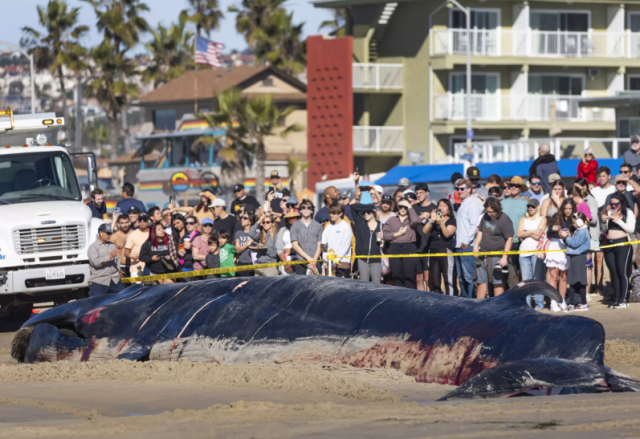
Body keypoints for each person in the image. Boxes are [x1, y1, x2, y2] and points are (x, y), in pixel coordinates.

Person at [474, 197, 513, 299]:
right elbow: (480, 231)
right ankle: (479, 306)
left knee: (498, 283)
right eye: (487, 211)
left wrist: (504, 257)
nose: (489, 214)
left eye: (491, 212)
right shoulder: (485, 217)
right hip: (483, 255)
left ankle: (498, 308)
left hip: (497, 255)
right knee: (481, 281)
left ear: (497, 210)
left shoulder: (505, 219)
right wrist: (475, 246)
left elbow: (509, 238)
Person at [601, 193, 636, 308]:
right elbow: (606, 229)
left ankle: (623, 299)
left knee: (622, 272)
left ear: (621, 203)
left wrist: (618, 220)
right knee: (614, 272)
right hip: (609, 245)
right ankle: (616, 298)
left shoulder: (628, 212)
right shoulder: (611, 211)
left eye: (616, 204)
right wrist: (604, 221)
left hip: (623, 245)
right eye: (612, 204)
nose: (613, 206)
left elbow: (631, 229)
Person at [454, 178, 484, 298]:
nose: (459, 191)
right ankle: (466, 302)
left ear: (469, 189)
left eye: (462, 188)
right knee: (462, 278)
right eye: (457, 189)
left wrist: (466, 242)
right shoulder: (464, 204)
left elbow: (474, 225)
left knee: (469, 277)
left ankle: (472, 302)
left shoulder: (473, 203)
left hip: (468, 246)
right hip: (459, 246)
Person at [383, 198, 420, 288]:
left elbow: (416, 221)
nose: (403, 209)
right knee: (397, 279)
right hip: (394, 247)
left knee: (409, 279)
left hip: (409, 247)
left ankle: (409, 300)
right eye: (400, 206)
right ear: (397, 207)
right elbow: (385, 235)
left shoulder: (411, 219)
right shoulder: (391, 220)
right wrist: (397, 234)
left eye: (405, 207)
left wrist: (409, 206)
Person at [517, 199, 547, 310]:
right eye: (529, 206)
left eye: (533, 206)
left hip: (537, 251)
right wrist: (532, 231)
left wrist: (526, 232)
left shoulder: (542, 219)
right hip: (524, 252)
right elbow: (518, 233)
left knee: (537, 279)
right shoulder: (523, 219)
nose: (530, 208)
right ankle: (527, 306)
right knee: (526, 281)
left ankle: (539, 305)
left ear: (537, 207)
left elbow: (539, 236)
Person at [423, 199, 457, 295]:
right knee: (435, 280)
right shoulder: (433, 222)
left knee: (448, 279)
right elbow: (425, 231)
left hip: (445, 251)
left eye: (444, 206)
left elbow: (447, 234)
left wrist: (441, 222)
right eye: (439, 206)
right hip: (433, 251)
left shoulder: (451, 221)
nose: (441, 208)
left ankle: (451, 300)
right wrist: (431, 221)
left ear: (449, 210)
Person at [546, 199, 575, 312]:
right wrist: (552, 229)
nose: (567, 211)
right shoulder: (555, 217)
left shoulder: (574, 219)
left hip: (566, 247)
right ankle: (553, 301)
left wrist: (570, 234)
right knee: (554, 276)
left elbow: (577, 233)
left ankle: (562, 300)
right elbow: (548, 233)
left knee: (564, 277)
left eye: (569, 209)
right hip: (554, 245)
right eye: (565, 208)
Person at [560, 213, 591, 311]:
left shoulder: (583, 231)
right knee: (573, 281)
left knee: (579, 281)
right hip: (575, 257)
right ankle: (573, 303)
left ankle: (583, 303)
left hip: (579, 257)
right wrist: (568, 236)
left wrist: (566, 237)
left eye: (574, 222)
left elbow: (575, 243)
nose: (573, 225)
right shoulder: (579, 231)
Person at [501, 176, 528, 282]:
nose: (513, 187)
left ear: (520, 189)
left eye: (516, 186)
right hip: (503, 241)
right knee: (503, 270)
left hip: (519, 241)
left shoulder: (526, 204)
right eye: (511, 185)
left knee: (519, 270)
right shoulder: (501, 203)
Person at [88, 224, 123, 296]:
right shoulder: (93, 247)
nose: (109, 235)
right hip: (100, 281)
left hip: (114, 280)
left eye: (110, 233)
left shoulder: (112, 245)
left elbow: (117, 260)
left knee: (122, 299)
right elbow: (95, 262)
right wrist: (109, 256)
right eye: (108, 233)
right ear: (101, 233)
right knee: (97, 305)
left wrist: (118, 270)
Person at [351, 202, 383, 283]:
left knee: (376, 285)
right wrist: (368, 207)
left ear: (374, 213)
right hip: (362, 258)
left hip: (376, 259)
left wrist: (384, 237)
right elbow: (352, 207)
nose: (366, 214)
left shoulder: (381, 225)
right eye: (363, 212)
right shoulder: (360, 222)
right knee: (365, 285)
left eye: (368, 212)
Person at [321, 202, 353, 278]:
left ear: (340, 213)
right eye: (330, 213)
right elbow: (324, 245)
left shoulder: (346, 226)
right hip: (329, 265)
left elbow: (345, 246)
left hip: (342, 264)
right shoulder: (328, 227)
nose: (331, 215)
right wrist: (325, 262)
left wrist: (335, 262)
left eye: (333, 213)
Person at [291, 199, 323, 275]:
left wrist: (314, 261)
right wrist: (309, 259)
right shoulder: (294, 226)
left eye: (308, 208)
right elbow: (295, 245)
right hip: (301, 262)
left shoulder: (318, 226)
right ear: (300, 211)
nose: (306, 209)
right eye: (303, 207)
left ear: (312, 211)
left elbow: (320, 245)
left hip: (315, 262)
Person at [413, 183, 436, 291]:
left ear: (427, 193)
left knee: (428, 277)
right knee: (418, 277)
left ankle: (429, 300)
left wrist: (433, 218)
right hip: (416, 246)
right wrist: (421, 217)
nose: (419, 195)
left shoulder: (434, 208)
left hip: (429, 247)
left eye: (421, 193)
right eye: (417, 193)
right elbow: (409, 223)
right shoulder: (413, 208)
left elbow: (441, 223)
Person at [277, 208, 300, 275]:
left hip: (298, 259)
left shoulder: (302, 230)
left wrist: (292, 263)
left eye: (294, 217)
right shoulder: (283, 230)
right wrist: (285, 263)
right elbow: (279, 247)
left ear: (297, 218)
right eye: (289, 218)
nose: (292, 219)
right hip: (285, 259)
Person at [234, 212, 257, 277]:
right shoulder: (238, 233)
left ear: (250, 221)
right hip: (241, 263)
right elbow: (237, 250)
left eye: (245, 218)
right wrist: (247, 245)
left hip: (251, 264)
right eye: (241, 218)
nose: (242, 219)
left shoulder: (255, 234)